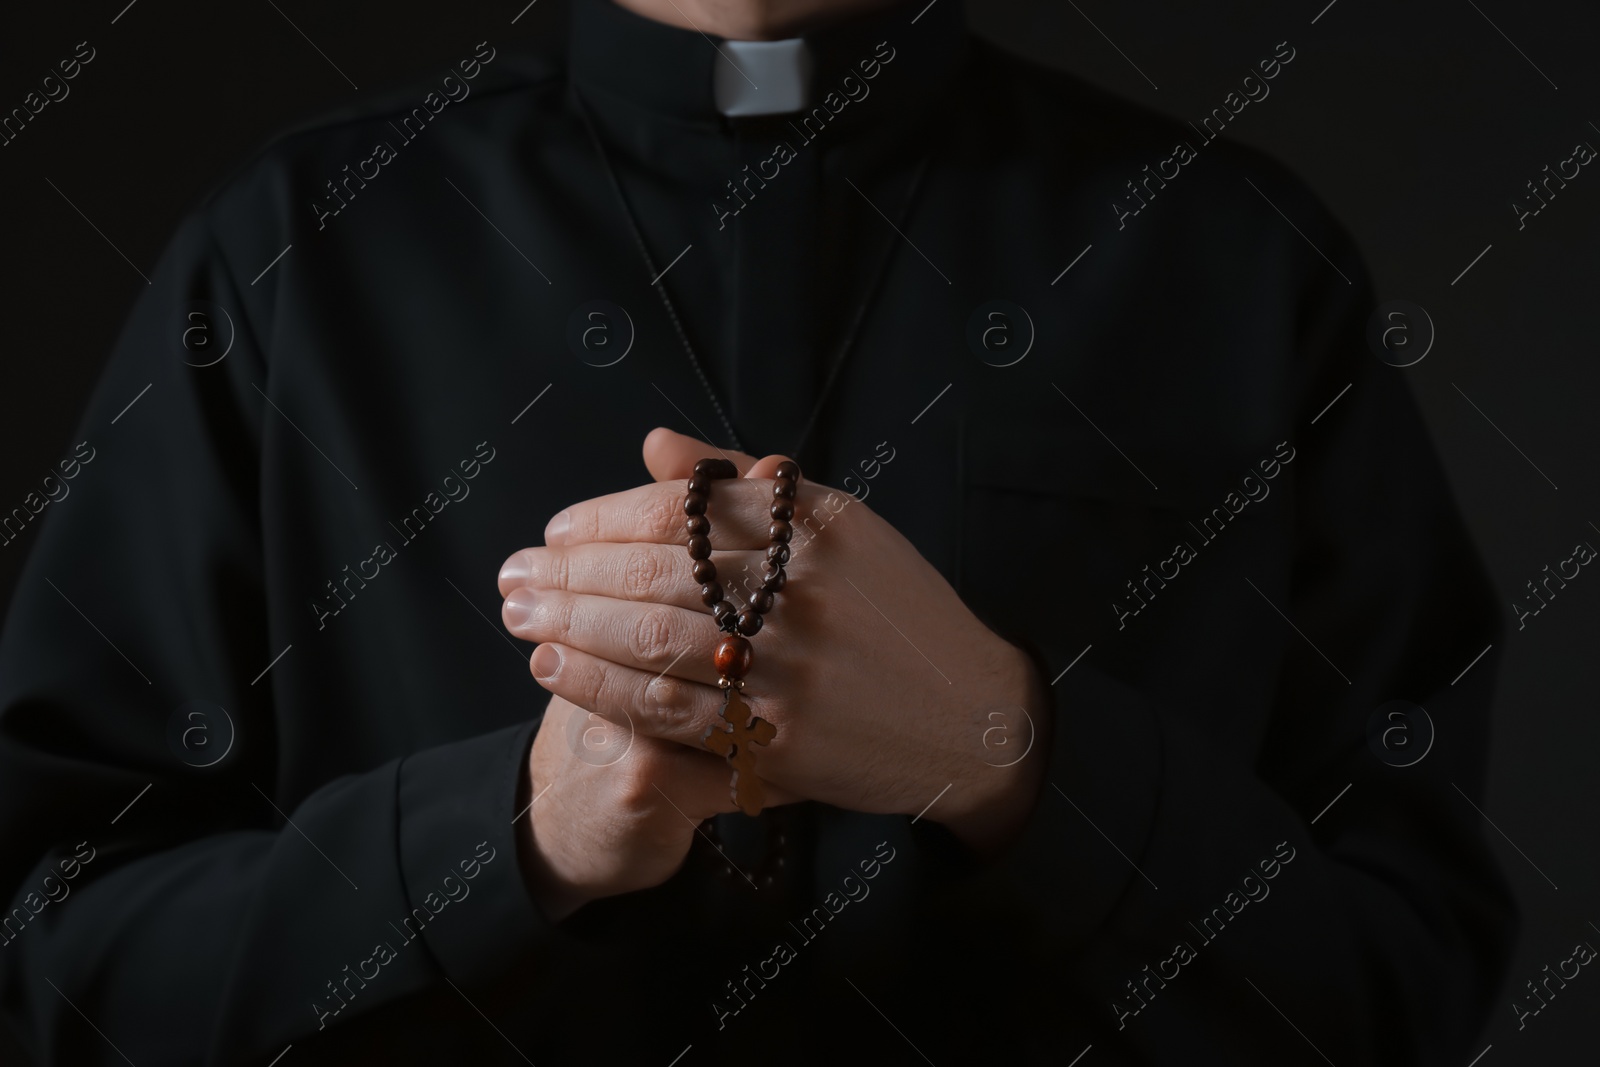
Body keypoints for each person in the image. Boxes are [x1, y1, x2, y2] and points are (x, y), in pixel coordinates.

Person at [0, 0, 1513, 1063]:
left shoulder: (1233, 257)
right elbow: (54, 967)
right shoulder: (289, 255)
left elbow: (1407, 988)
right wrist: (511, 839)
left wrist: (1012, 750)